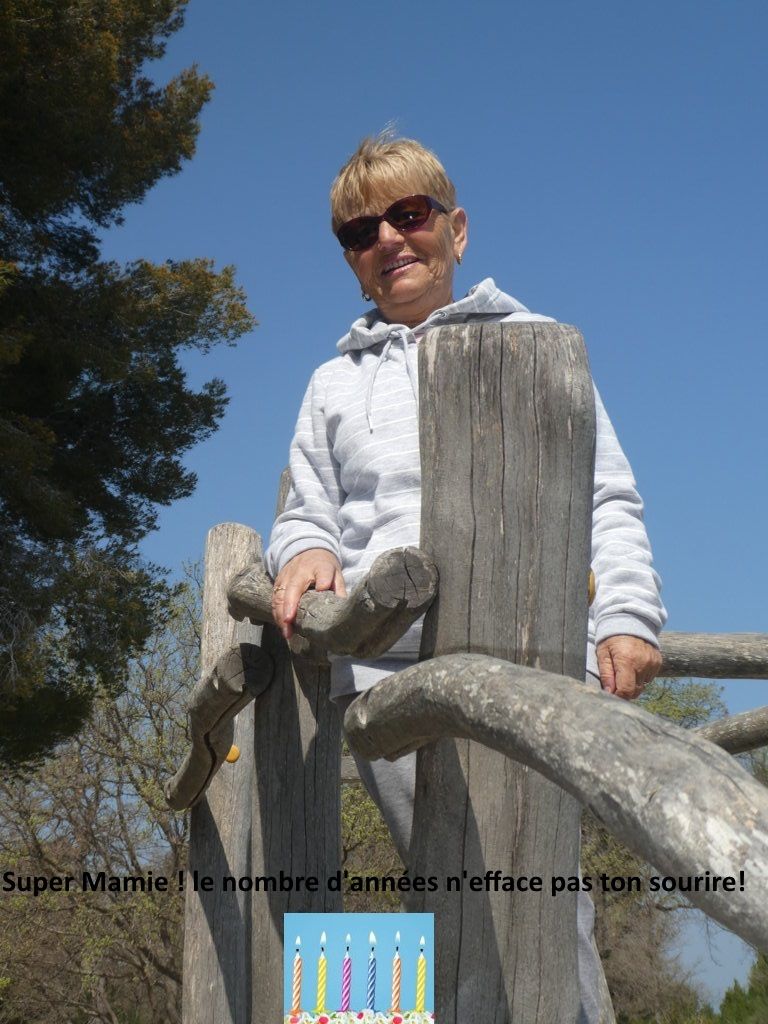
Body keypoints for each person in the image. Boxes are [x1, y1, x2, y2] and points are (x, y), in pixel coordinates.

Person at [265, 132, 667, 1023]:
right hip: (387, 676)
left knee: (539, 895)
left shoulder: (540, 344)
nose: (388, 239)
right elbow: (306, 508)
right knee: (445, 885)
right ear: (351, 260)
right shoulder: (332, 382)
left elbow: (607, 495)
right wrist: (302, 550)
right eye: (360, 231)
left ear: (456, 229)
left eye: (409, 214)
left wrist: (627, 614)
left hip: (529, 659)